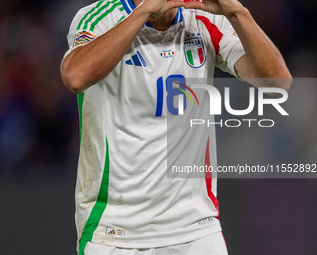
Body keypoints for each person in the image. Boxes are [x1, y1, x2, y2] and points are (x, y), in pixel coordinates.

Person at [60, 0, 291, 254]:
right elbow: (75, 76)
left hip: (195, 226)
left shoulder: (206, 19)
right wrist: (144, 11)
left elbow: (277, 84)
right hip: (115, 229)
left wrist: (238, 13)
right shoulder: (98, 18)